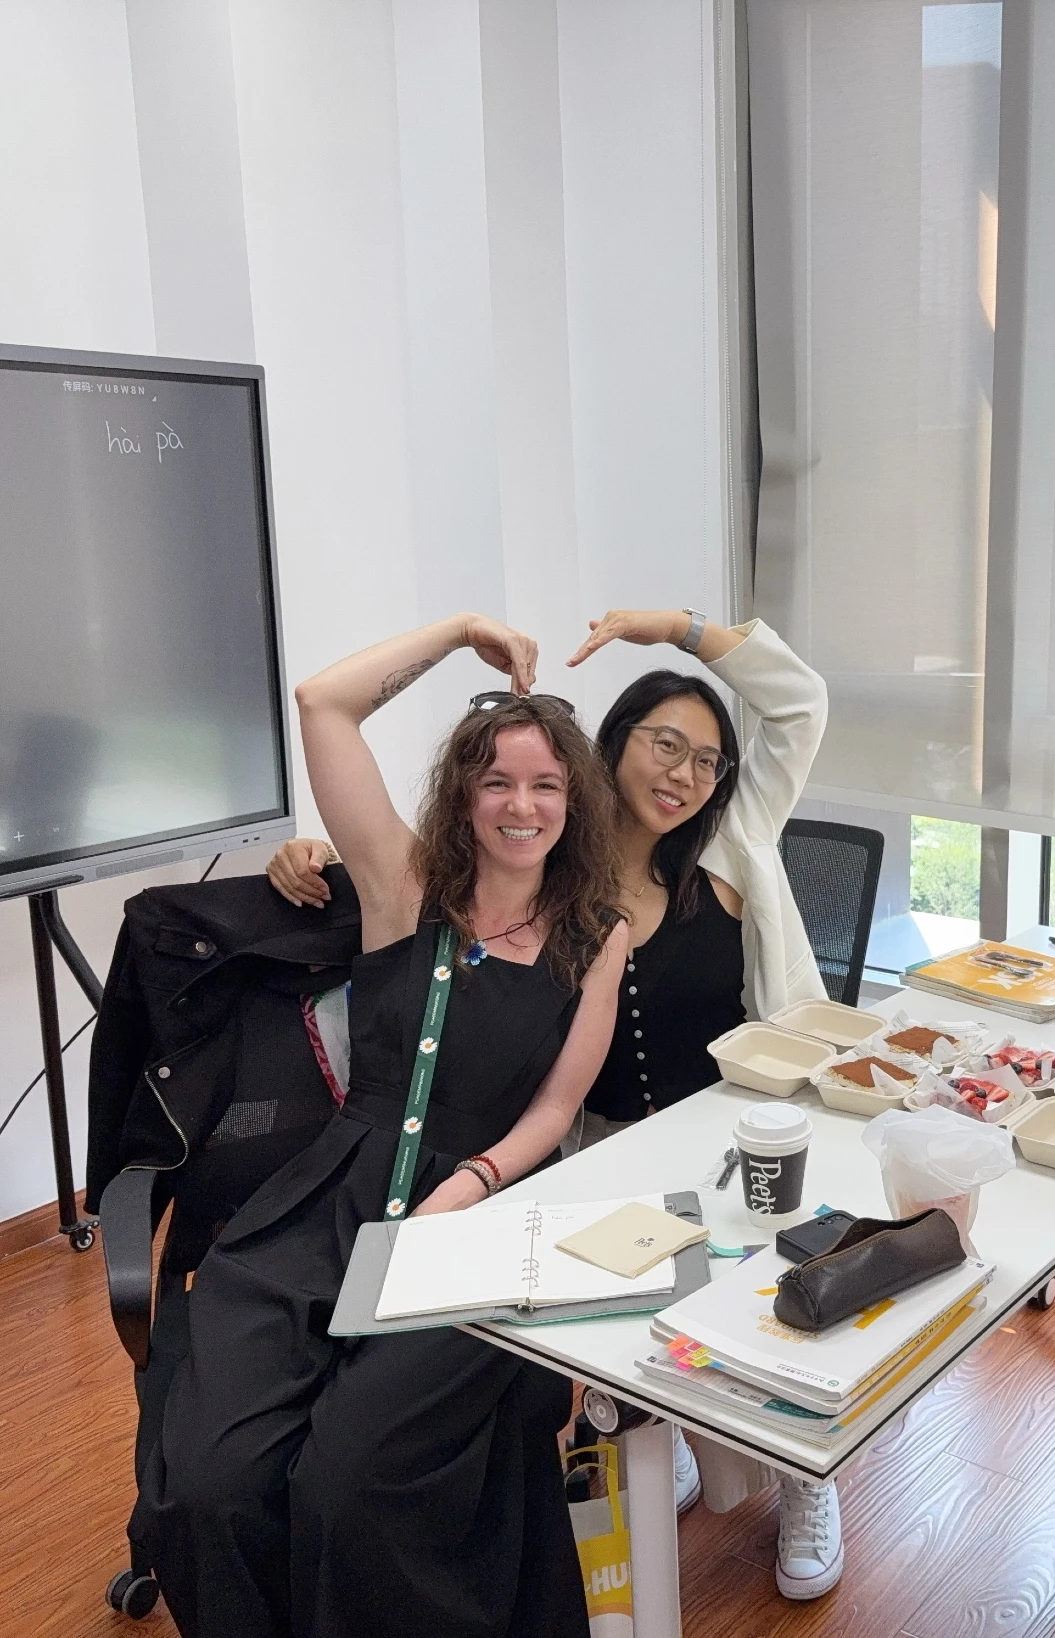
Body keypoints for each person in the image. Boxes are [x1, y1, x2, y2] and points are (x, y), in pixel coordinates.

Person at [268, 605, 845, 1601]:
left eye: (707, 760)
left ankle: (804, 1477)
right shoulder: (547, 874)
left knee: (766, 1315)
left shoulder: (728, 846)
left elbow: (800, 704)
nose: (684, 775)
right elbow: (441, 870)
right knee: (626, 1342)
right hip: (594, 1146)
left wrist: (674, 627)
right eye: (664, 744)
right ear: (609, 747)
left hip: (728, 1137)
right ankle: (665, 1441)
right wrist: (318, 850)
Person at [137, 612, 629, 1638]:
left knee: (344, 1485)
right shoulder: (405, 890)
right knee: (216, 1482)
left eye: (546, 784)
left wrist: (476, 1183)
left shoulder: (597, 933)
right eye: (497, 781)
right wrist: (456, 636)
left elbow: (554, 1109)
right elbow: (326, 701)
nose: (522, 805)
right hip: (331, 1202)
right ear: (465, 793)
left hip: (472, 1226)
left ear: (574, 801)